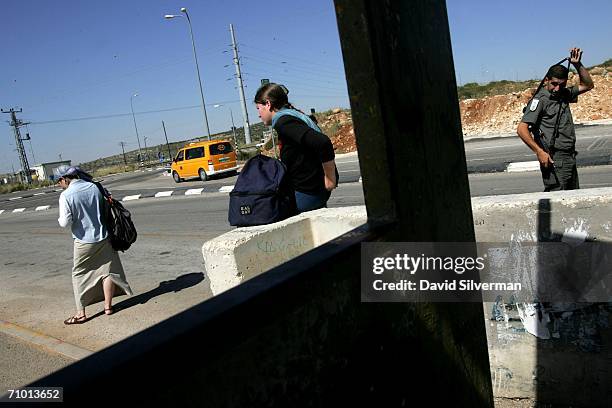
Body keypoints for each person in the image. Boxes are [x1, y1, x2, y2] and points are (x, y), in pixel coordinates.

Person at [56, 165, 132, 324]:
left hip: (83, 241)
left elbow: (64, 222)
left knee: (79, 274)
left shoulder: (66, 195)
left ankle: (81, 313)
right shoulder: (93, 186)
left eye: (58, 181)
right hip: (104, 237)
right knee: (107, 270)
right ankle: (108, 307)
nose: (58, 184)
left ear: (64, 179)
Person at [517, 47, 594, 191]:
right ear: (546, 80)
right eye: (554, 84)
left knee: (572, 198)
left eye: (562, 84)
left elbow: (588, 85)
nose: (557, 88)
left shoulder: (562, 93)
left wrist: (577, 65)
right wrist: (539, 151)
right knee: (559, 197)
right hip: (554, 158)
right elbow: (521, 129)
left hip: (569, 156)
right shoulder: (540, 100)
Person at [254, 83, 338, 212]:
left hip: (308, 192)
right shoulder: (292, 116)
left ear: (268, 104)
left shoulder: (284, 122)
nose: (258, 114)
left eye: (258, 108)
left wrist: (330, 179)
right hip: (311, 190)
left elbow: (322, 142)